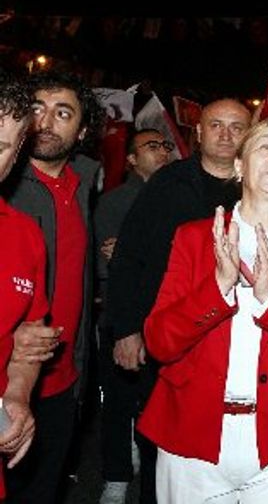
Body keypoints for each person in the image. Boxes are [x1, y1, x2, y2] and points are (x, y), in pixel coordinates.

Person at [138, 117, 268, 502]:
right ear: (239, 166)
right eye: (265, 146)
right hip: (192, 437)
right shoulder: (194, 237)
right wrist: (218, 288)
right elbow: (159, 342)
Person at [106, 97, 251, 504]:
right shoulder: (166, 185)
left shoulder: (261, 186)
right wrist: (127, 329)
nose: (226, 134)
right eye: (216, 125)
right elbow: (129, 257)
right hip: (167, 338)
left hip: (237, 344)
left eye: (237, 127)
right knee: (162, 443)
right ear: (199, 133)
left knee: (226, 452)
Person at [2, 70, 103, 504]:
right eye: (37, 109)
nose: (45, 121)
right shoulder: (10, 189)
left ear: (81, 132)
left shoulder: (82, 185)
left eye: (62, 113)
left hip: (62, 381)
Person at [95, 127, 175, 504]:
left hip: (165, 319)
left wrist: (133, 253)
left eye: (165, 145)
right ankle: (116, 475)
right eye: (151, 146)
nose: (162, 152)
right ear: (130, 159)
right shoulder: (114, 202)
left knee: (159, 406)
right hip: (123, 317)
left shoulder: (175, 197)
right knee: (119, 401)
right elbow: (111, 261)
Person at [0, 75, 50, 500]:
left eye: (1, 146)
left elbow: (30, 339)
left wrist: (17, 394)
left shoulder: (26, 235)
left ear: (17, 154)